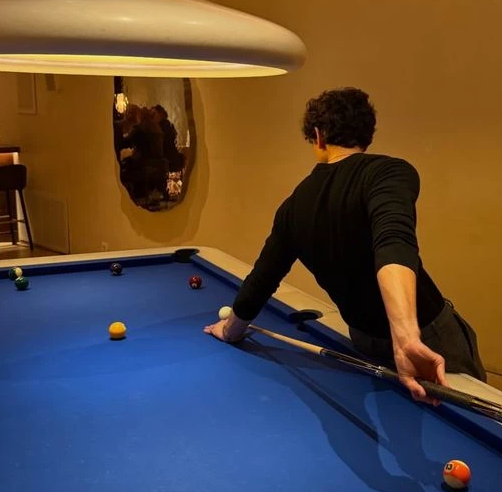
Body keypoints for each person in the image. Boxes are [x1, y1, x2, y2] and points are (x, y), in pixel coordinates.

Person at [204, 87, 485, 402]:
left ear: (318, 136)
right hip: (427, 338)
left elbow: (261, 280)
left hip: (366, 339)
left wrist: (230, 330)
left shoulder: (294, 206)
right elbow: (394, 245)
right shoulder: (389, 172)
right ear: (367, 135)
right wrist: (406, 338)